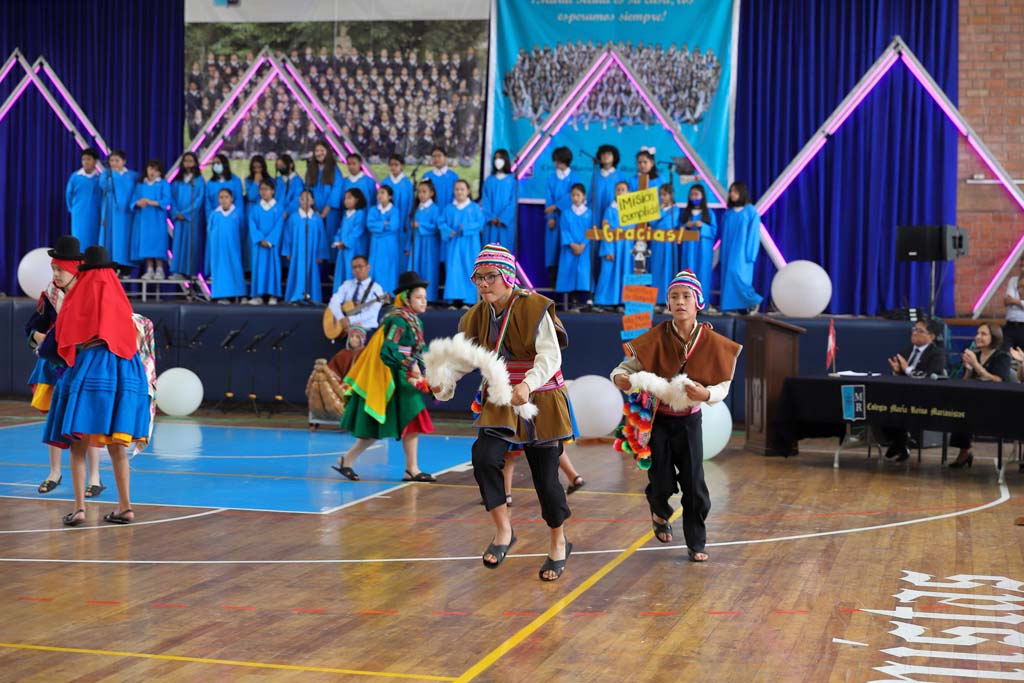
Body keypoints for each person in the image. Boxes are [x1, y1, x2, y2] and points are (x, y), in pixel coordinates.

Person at [432, 244, 575, 580]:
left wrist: (527, 384)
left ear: (508, 276)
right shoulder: (475, 316)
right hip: (499, 396)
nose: (483, 284)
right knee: (484, 458)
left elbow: (550, 357)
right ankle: (504, 532)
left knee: (546, 479)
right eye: (478, 278)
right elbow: (465, 360)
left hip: (541, 397)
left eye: (490, 276)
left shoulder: (535, 307)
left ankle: (558, 541)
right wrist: (443, 383)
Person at [611, 270, 741, 562]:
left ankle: (696, 541)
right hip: (657, 420)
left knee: (694, 484)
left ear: (698, 302)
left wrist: (706, 394)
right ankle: (659, 509)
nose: (680, 302)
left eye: (686, 296)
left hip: (689, 421)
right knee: (660, 480)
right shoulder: (655, 338)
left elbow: (722, 385)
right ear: (667, 304)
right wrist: (619, 377)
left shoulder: (711, 342)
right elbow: (624, 368)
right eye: (674, 297)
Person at [43, 245, 151, 526]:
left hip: (92, 366)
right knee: (117, 445)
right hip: (126, 369)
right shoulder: (119, 297)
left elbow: (63, 338)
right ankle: (125, 507)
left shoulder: (79, 296)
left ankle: (79, 509)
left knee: (78, 443)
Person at [334, 271, 436, 483]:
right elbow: (389, 350)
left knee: (410, 418)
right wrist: (410, 366)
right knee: (383, 422)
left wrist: (430, 369)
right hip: (392, 377)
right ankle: (408, 468)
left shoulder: (414, 321)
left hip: (404, 377)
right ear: (406, 298)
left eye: (425, 298)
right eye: (419, 297)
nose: (424, 301)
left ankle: (410, 468)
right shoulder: (398, 320)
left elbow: (419, 350)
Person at [24, 236, 104, 497]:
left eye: (60, 269)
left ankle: (95, 476)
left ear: (74, 268)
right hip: (54, 363)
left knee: (88, 416)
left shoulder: (90, 294)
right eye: (53, 269)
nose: (55, 274)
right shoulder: (51, 294)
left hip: (84, 365)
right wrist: (38, 336)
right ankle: (54, 472)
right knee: (55, 416)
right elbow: (33, 325)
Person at [880, 319, 947, 462]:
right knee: (878, 403)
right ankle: (901, 441)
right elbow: (899, 377)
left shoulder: (937, 354)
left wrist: (907, 369)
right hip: (901, 395)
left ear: (931, 337)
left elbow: (929, 377)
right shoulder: (905, 351)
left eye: (919, 331)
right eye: (914, 329)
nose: (914, 333)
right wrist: (897, 372)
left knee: (895, 406)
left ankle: (900, 442)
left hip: (924, 398)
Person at [948, 323, 1013, 469]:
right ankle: (964, 450)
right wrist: (968, 369)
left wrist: (976, 364)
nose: (978, 337)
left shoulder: (1002, 356)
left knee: (966, 408)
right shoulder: (975, 355)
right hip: (974, 399)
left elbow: (998, 380)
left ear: (994, 337)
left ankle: (964, 452)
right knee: (959, 408)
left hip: (995, 402)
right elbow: (966, 382)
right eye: (977, 333)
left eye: (983, 334)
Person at [719, 181, 763, 314]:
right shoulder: (728, 213)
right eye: (731, 191)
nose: (732, 194)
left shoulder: (750, 211)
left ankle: (753, 301)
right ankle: (731, 307)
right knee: (728, 278)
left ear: (742, 193)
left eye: (735, 191)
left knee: (738, 276)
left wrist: (750, 254)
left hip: (742, 253)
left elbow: (754, 233)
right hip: (728, 252)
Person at [282, 189, 329, 304]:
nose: (304, 201)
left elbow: (322, 237)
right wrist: (287, 251)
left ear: (312, 201)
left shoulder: (317, 219)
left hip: (312, 253)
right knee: (297, 273)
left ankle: (312, 297)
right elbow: (287, 235)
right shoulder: (293, 218)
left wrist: (320, 254)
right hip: (297, 253)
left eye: (307, 199)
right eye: (302, 199)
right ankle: (296, 296)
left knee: (311, 273)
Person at [443, 179, 483, 307]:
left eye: (462, 189)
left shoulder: (474, 208)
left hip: (470, 245)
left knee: (469, 270)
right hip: (454, 245)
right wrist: (448, 230)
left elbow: (480, 223)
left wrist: (465, 227)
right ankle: (455, 301)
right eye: (457, 189)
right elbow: (441, 222)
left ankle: (469, 301)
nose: (459, 192)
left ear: (468, 191)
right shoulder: (449, 208)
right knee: (454, 270)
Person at [130, 159, 172, 280]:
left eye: (156, 170)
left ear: (160, 172)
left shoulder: (163, 184)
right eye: (150, 169)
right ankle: (149, 269)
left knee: (158, 243)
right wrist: (138, 203)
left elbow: (167, 201)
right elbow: (133, 200)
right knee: (146, 244)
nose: (152, 172)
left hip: (157, 219)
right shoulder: (140, 185)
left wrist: (151, 202)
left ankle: (159, 269)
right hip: (144, 219)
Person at [594, 181, 632, 309]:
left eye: (623, 189)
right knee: (608, 273)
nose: (620, 192)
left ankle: (624, 302)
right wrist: (608, 249)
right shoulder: (610, 210)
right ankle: (604, 302)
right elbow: (606, 230)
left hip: (627, 249)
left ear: (628, 192)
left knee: (626, 273)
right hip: (613, 247)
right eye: (618, 190)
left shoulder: (632, 210)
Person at [554, 183, 592, 311]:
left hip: (584, 250)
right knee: (568, 274)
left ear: (584, 196)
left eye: (578, 195)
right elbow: (564, 230)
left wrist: (583, 245)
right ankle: (569, 303)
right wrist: (572, 244)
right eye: (573, 195)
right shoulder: (566, 213)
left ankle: (582, 303)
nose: (575, 198)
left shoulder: (589, 213)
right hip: (569, 250)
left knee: (583, 276)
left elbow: (590, 231)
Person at [98, 150, 139, 268]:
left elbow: (138, 191)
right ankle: (109, 264)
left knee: (125, 238)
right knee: (109, 237)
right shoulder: (106, 174)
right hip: (110, 212)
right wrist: (112, 175)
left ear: (124, 161)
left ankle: (126, 266)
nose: (114, 163)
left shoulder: (133, 175)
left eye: (117, 160)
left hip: (127, 212)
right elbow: (104, 186)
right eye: (112, 160)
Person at [543, 146, 578, 283]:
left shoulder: (574, 178)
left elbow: (573, 196)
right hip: (554, 219)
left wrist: (556, 206)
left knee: (567, 250)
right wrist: (550, 217)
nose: (556, 163)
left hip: (569, 218)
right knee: (552, 251)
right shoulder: (551, 178)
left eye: (558, 160)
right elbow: (548, 198)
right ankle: (553, 283)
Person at [248, 179, 285, 305]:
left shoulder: (279, 208)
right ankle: (258, 295)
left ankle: (273, 295)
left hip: (272, 246)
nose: (264, 192)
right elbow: (252, 225)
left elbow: (279, 226)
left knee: (273, 268)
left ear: (273, 191)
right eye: (261, 189)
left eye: (267, 189)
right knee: (258, 268)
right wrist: (259, 239)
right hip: (259, 246)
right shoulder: (255, 208)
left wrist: (270, 240)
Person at [169, 152, 206, 279]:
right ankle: (177, 271)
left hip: (192, 218)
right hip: (179, 217)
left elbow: (199, 200)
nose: (188, 163)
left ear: (195, 163)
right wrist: (176, 212)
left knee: (191, 243)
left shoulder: (199, 181)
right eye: (186, 161)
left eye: (191, 161)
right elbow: (171, 198)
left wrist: (186, 213)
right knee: (178, 243)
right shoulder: (177, 181)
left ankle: (190, 271)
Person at [206, 188, 246, 303]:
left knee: (235, 268)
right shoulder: (214, 214)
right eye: (221, 197)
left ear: (231, 199)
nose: (223, 200)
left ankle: (238, 294)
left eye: (226, 197)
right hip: (218, 250)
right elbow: (210, 231)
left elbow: (242, 230)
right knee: (220, 271)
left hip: (233, 248)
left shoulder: (237, 214)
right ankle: (221, 295)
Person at [680, 184, 717, 301]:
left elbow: (713, 231)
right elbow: (678, 232)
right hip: (688, 248)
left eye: (696, 194)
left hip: (703, 249)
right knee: (688, 274)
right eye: (691, 195)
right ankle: (687, 302)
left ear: (702, 196)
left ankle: (701, 303)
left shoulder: (709, 213)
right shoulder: (686, 213)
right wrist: (686, 225)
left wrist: (703, 226)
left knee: (703, 273)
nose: (694, 197)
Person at [411, 180, 442, 302]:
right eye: (419, 192)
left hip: (430, 243)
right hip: (417, 242)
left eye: (424, 192)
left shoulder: (435, 209)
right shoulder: (417, 208)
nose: (421, 195)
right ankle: (415, 297)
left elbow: (435, 227)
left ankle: (429, 297)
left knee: (429, 269)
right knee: (416, 268)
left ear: (431, 193)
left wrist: (420, 225)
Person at [65, 147, 103, 249]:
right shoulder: (75, 177)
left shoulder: (100, 178)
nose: (86, 162)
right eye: (84, 159)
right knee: (78, 239)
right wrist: (73, 209)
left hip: (95, 214)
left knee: (93, 239)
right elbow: (68, 195)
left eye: (89, 159)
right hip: (78, 214)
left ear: (95, 161)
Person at [380, 154, 414, 266]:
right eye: (391, 165)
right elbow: (380, 203)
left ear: (402, 166)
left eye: (396, 164)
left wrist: (407, 222)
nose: (393, 167)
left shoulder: (407, 183)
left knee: (400, 253)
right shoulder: (385, 182)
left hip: (403, 223)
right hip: (387, 223)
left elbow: (410, 204)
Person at [649, 184, 679, 304]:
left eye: (665, 194)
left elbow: (669, 224)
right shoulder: (657, 209)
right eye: (660, 195)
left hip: (669, 244)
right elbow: (652, 223)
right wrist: (660, 212)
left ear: (671, 195)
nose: (662, 197)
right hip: (656, 243)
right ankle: (656, 299)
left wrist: (659, 218)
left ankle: (668, 299)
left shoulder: (675, 209)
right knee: (656, 269)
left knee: (668, 269)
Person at [367, 185, 400, 294]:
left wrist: (379, 227)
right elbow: (370, 225)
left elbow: (393, 226)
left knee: (389, 268)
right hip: (376, 244)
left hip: (389, 244)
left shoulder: (394, 210)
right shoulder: (373, 210)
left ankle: (388, 293)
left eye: (383, 193)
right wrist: (383, 224)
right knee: (375, 268)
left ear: (390, 196)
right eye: (378, 193)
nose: (379, 195)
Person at [331, 188, 368, 284]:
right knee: (341, 272)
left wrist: (346, 243)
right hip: (342, 248)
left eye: (349, 198)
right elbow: (340, 230)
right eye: (345, 198)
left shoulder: (359, 213)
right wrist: (337, 240)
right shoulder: (345, 214)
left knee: (351, 271)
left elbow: (357, 231)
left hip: (354, 248)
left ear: (357, 199)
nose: (346, 200)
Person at [305, 142, 341, 240]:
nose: (319, 153)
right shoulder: (311, 170)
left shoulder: (334, 170)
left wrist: (325, 211)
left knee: (329, 236)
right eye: (317, 151)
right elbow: (307, 189)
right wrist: (314, 208)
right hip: (314, 209)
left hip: (331, 211)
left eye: (322, 150)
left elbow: (336, 190)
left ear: (327, 152)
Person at [481, 149, 516, 247]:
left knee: (504, 249)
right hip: (491, 224)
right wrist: (491, 217)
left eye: (500, 158)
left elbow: (513, 203)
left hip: (505, 224)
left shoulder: (512, 181)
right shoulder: (489, 180)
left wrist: (503, 219)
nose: (497, 161)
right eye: (495, 158)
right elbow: (485, 201)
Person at [590, 144, 626, 230]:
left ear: (614, 157)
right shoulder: (596, 175)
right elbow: (590, 194)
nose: (605, 156)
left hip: (613, 213)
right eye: (603, 154)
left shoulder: (619, 175)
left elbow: (624, 195)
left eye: (609, 154)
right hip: (597, 211)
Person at [204, 153, 244, 221]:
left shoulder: (235, 181)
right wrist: (211, 218)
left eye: (218, 163)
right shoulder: (210, 183)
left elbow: (239, 201)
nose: (215, 165)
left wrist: (235, 216)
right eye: (214, 163)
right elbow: (208, 204)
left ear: (224, 164)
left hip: (232, 218)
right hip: (215, 218)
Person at [425, 145, 459, 211]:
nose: (436, 159)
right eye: (434, 156)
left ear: (445, 157)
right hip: (431, 213)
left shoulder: (453, 176)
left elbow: (457, 197)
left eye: (439, 156)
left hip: (449, 213)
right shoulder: (427, 176)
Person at [1003, 257, 1024, 351]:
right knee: (1005, 354)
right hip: (1010, 326)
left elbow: (1012, 300)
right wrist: (1021, 302)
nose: (1022, 269)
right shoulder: (1013, 280)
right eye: (1021, 266)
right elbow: (1007, 301)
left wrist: (1015, 301)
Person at [275, 154, 302, 220]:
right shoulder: (277, 181)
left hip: (292, 216)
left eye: (282, 165)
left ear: (291, 165)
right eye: (278, 166)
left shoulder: (298, 181)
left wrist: (287, 212)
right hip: (277, 215)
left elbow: (297, 199)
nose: (280, 168)